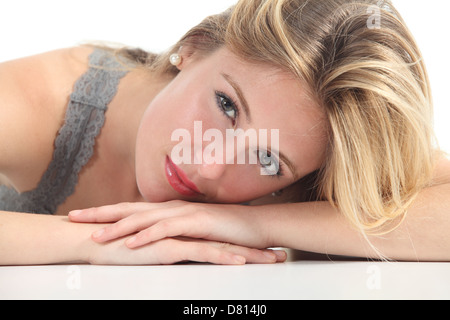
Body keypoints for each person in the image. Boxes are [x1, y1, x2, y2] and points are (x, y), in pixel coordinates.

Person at [1, 0, 449, 265]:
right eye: (226, 105)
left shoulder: (309, 164)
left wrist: (252, 223)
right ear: (192, 48)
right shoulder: (44, 99)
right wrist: (96, 242)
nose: (208, 164)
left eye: (268, 160)